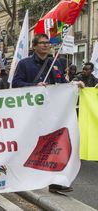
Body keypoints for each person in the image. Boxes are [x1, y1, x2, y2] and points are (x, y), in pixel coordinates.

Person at [12, 34, 81, 193]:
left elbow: (62, 83)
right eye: (41, 43)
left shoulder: (55, 63)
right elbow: (16, 83)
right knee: (31, 145)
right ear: (34, 46)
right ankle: (26, 177)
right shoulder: (25, 64)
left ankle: (55, 181)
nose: (45, 46)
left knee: (54, 146)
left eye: (47, 43)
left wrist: (74, 85)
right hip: (32, 114)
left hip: (52, 114)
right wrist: (34, 86)